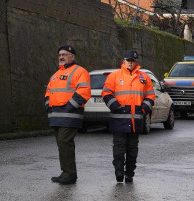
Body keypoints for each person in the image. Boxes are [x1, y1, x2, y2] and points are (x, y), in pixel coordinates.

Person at [102, 50, 156, 183]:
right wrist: (115, 106)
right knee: (119, 148)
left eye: (133, 61)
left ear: (136, 62)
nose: (130, 63)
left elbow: (150, 95)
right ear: (124, 60)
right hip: (119, 119)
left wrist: (143, 108)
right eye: (128, 60)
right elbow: (106, 93)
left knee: (132, 149)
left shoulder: (144, 77)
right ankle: (119, 172)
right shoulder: (114, 76)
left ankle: (130, 173)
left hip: (135, 120)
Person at [45, 44, 91, 185]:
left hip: (70, 115)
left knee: (65, 142)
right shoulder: (56, 75)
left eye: (64, 54)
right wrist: (48, 106)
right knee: (62, 144)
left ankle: (70, 174)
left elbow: (84, 92)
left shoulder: (80, 71)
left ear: (72, 56)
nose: (61, 57)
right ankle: (66, 172)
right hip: (56, 116)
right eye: (60, 55)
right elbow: (48, 92)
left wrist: (69, 107)